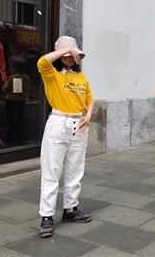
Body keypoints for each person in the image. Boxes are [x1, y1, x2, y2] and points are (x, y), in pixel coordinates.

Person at [37, 36, 93, 238]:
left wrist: (88, 114)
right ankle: (46, 216)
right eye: (67, 56)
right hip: (58, 121)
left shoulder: (81, 77)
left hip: (79, 123)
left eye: (73, 55)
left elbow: (89, 98)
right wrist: (66, 49)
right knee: (51, 170)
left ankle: (71, 209)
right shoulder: (52, 75)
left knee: (75, 170)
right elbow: (42, 61)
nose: (70, 59)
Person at [3, 60, 31, 144]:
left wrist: (4, 83)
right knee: (20, 119)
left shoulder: (12, 77)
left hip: (11, 100)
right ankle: (20, 139)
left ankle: (10, 139)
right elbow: (29, 88)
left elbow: (5, 89)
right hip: (21, 100)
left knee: (10, 120)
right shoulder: (26, 77)